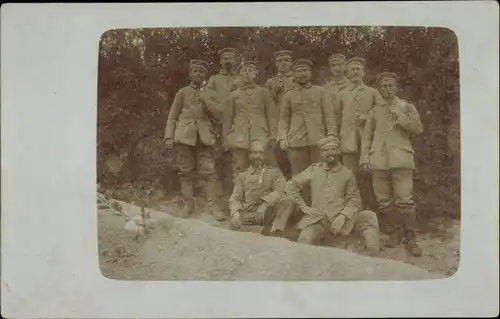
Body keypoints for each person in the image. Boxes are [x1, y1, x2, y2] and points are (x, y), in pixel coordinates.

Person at [360, 72, 423, 256]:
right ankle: (396, 232)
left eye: (390, 86)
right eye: (384, 86)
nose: (387, 89)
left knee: (404, 199)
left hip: (401, 159)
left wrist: (400, 117)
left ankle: (411, 238)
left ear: (396, 87)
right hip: (379, 160)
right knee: (384, 201)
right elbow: (366, 137)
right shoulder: (374, 111)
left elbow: (418, 129)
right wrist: (364, 157)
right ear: (380, 88)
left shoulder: (406, 107)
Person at [286, 136, 381, 254]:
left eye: (333, 149)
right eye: (326, 150)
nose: (330, 153)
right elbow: (291, 186)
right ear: (321, 153)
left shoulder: (347, 173)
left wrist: (343, 216)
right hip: (318, 219)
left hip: (343, 220)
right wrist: (303, 207)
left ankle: (371, 254)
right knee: (304, 240)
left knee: (368, 216)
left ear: (339, 151)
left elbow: (354, 199)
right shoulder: (313, 170)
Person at [164, 59, 226, 220]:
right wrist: (169, 136)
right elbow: (172, 116)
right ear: (190, 74)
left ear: (205, 75)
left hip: (204, 137)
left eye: (201, 72)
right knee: (185, 172)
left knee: (209, 172)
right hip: (184, 137)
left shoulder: (211, 93)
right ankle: (188, 205)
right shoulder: (182, 92)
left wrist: (206, 98)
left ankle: (213, 207)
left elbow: (219, 115)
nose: (198, 74)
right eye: (195, 71)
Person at [277, 58, 337, 177]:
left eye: (304, 70)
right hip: (295, 140)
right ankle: (300, 196)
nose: (302, 74)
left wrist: (331, 134)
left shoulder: (321, 92)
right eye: (298, 71)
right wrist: (282, 137)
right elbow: (284, 119)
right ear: (294, 75)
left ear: (310, 73)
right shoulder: (288, 95)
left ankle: (319, 196)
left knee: (321, 173)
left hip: (318, 140)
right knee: (299, 175)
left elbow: (329, 115)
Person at [229, 140, 295, 237]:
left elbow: (282, 190)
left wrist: (266, 202)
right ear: (250, 156)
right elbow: (235, 198)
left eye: (261, 152)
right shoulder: (242, 176)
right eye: (255, 153)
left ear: (265, 155)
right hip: (252, 213)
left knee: (289, 200)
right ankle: (267, 232)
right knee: (234, 224)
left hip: (270, 211)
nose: (258, 156)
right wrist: (235, 213)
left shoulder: (275, 172)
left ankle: (276, 229)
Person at [333, 57, 385, 178]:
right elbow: (336, 117)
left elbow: (382, 112)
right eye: (352, 69)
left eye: (358, 69)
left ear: (363, 73)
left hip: (370, 139)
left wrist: (367, 118)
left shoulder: (373, 92)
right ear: (347, 73)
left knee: (372, 172)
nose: (355, 71)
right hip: (347, 139)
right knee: (349, 174)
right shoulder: (341, 94)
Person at [225, 61, 278, 179]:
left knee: (266, 162)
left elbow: (272, 115)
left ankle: (269, 193)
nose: (247, 73)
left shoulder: (264, 92)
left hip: (260, 132)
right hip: (239, 133)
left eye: (251, 71)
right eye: (244, 71)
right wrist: (227, 138)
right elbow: (228, 118)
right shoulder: (233, 95)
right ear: (239, 75)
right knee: (240, 165)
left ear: (256, 75)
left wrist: (273, 135)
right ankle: (241, 194)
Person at [202, 47, 240, 208]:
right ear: (220, 61)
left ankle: (236, 199)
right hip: (219, 126)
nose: (228, 61)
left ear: (235, 60)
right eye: (225, 59)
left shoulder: (241, 79)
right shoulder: (214, 79)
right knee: (217, 162)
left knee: (238, 162)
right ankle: (216, 200)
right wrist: (220, 112)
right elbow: (208, 98)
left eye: (231, 58)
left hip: (238, 126)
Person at [265, 49, 296, 178]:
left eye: (286, 60)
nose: (283, 63)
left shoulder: (297, 78)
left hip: (294, 120)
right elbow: (266, 103)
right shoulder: (270, 82)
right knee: (277, 154)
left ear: (291, 63)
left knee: (294, 153)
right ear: (276, 64)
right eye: (280, 61)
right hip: (276, 122)